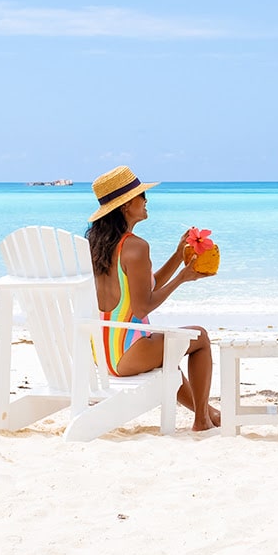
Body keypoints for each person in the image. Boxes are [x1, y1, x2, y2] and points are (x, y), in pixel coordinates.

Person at [85, 165, 220, 431]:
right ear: (126, 205)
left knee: (168, 355)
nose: (146, 201)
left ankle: (210, 412)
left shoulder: (98, 245)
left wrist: (177, 254)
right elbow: (142, 305)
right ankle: (201, 420)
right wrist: (182, 279)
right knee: (200, 338)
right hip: (128, 354)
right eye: (141, 196)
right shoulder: (136, 246)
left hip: (100, 354)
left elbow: (148, 284)